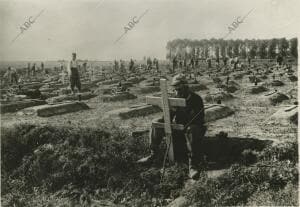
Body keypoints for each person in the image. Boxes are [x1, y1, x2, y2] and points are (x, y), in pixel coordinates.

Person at [137, 74, 206, 179]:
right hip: (177, 128)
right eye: (175, 88)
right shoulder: (174, 99)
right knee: (156, 123)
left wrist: (184, 111)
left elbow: (198, 119)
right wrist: (170, 111)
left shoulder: (196, 99)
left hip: (193, 128)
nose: (177, 91)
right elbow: (167, 119)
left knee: (192, 129)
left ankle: (193, 165)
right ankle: (153, 154)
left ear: (186, 87)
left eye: (179, 88)